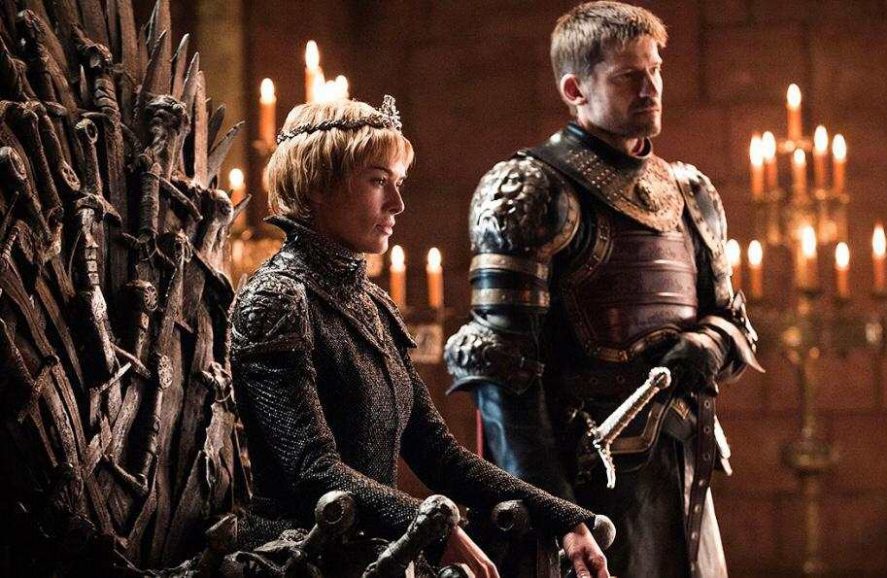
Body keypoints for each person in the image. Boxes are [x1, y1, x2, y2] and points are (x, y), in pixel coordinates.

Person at [444, 3, 762, 577]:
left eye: (655, 69)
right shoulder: (529, 190)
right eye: (628, 76)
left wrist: (707, 345)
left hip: (682, 473)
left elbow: (733, 321)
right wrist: (558, 515)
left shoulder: (689, 192)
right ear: (575, 88)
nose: (650, 89)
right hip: (581, 480)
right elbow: (500, 375)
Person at [230, 97, 609, 578]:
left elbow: (438, 453)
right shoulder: (275, 300)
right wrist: (431, 527)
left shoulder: (373, 304)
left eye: (399, 182)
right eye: (377, 181)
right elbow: (312, 471)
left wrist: (564, 518)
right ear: (317, 185)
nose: (397, 203)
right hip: (296, 559)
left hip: (376, 554)